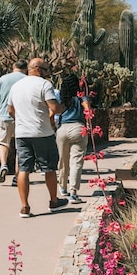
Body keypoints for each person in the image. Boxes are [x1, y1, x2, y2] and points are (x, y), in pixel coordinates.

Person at [8, 58, 67, 217]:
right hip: (42, 133)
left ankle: (24, 206)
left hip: (22, 134)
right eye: (46, 69)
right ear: (38, 69)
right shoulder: (44, 85)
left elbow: (10, 110)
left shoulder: (16, 86)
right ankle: (53, 201)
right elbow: (54, 107)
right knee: (49, 168)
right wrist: (63, 107)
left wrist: (22, 120)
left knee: (23, 169)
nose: (48, 73)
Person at [55, 70, 92, 204]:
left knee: (63, 160)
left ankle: (62, 187)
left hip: (62, 129)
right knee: (76, 161)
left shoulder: (61, 98)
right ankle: (73, 193)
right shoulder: (81, 98)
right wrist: (89, 125)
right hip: (78, 128)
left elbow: (53, 112)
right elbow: (87, 110)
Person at [0, 59, 28, 185]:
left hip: (4, 115)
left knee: (3, 142)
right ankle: (17, 177)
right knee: (20, 147)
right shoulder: (27, 80)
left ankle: (3, 165)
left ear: (13, 67)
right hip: (22, 117)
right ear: (25, 68)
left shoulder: (3, 79)